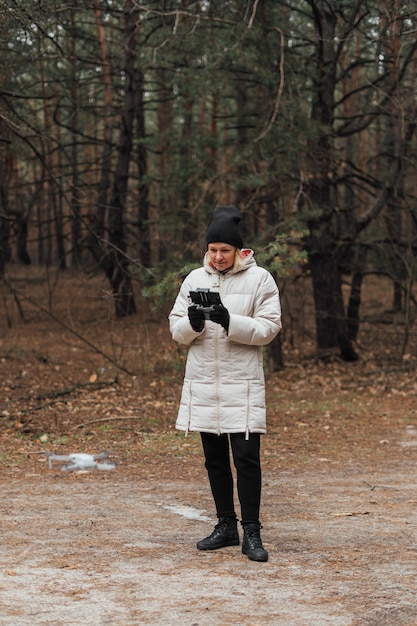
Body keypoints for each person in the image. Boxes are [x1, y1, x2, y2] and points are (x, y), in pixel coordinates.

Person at [168, 205, 282, 562]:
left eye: (225, 251)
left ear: (238, 251)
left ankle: (251, 531)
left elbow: (268, 329)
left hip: (242, 382)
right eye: (213, 249)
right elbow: (176, 331)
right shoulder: (193, 280)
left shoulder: (259, 279)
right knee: (214, 460)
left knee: (246, 460)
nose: (217, 257)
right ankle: (225, 526)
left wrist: (229, 320)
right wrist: (194, 324)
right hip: (204, 383)